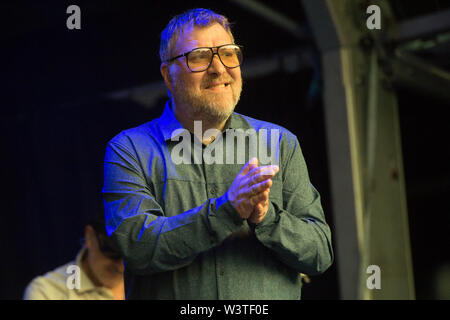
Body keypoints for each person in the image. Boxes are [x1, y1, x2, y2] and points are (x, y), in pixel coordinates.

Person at [102, 8, 333, 300]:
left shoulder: (280, 143)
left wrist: (267, 217)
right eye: (199, 56)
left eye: (228, 53)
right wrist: (227, 210)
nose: (219, 68)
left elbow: (320, 254)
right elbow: (138, 248)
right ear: (168, 75)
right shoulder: (130, 150)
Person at [23, 213, 125, 300]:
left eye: (130, 258)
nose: (122, 268)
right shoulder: (47, 292)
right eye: (113, 254)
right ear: (90, 237)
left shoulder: (139, 281)